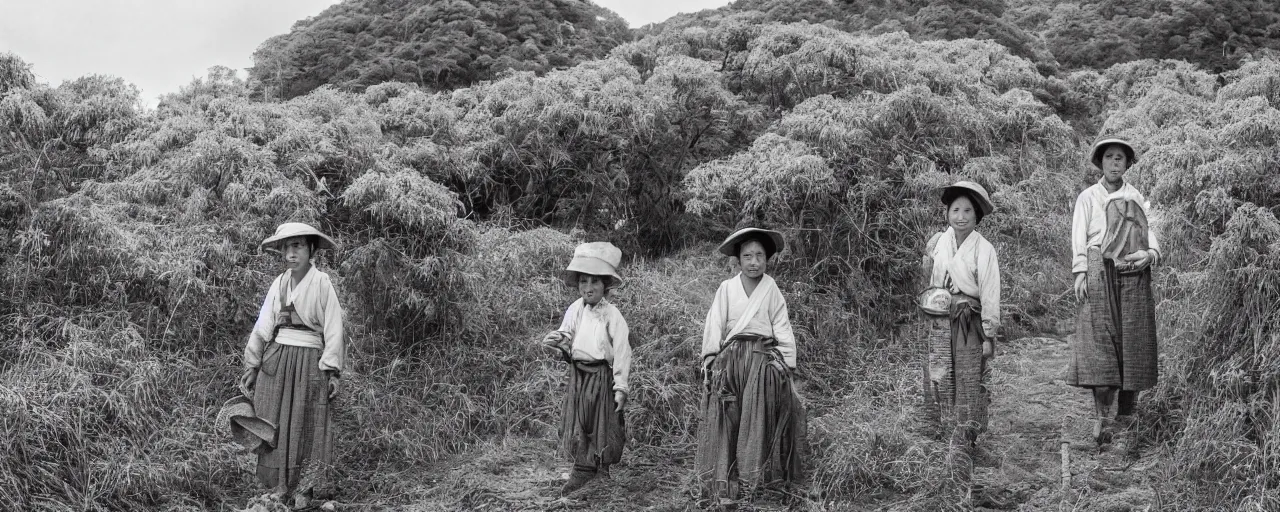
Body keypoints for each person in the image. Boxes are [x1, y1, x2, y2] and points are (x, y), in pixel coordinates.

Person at [238, 222, 345, 509]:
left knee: (309, 421)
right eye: (287, 247)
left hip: (310, 361)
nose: (291, 253)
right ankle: (278, 487)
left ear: (311, 250)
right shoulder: (280, 283)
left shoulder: (322, 283)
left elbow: (334, 329)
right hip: (278, 360)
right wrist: (253, 364)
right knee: (275, 421)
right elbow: (263, 326)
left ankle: (306, 490)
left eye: (297, 246)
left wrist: (332, 371)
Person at [695, 227, 804, 503]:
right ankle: (726, 480)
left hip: (760, 361)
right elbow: (715, 323)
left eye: (759, 256)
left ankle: (752, 480)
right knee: (729, 418)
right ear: (738, 260)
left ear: (767, 259)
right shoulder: (726, 289)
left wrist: (785, 361)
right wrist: (710, 357)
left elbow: (782, 325)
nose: (753, 262)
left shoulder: (771, 289)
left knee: (756, 420)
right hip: (731, 361)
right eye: (747, 256)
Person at [1066, 138, 1161, 450]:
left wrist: (1150, 253)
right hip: (1098, 268)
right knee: (1100, 342)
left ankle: (1126, 418)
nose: (1115, 162)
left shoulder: (1135, 196)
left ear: (1127, 164)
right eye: (1109, 157)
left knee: (1132, 344)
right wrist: (1081, 271)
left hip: (1132, 271)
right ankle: (1103, 417)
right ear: (1100, 162)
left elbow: (1150, 229)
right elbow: (1079, 236)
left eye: (1120, 158)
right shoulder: (1087, 198)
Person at [920, 181, 1001, 472]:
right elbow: (930, 281)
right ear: (947, 213)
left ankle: (967, 437)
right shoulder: (939, 243)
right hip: (941, 319)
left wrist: (989, 333)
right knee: (941, 374)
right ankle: (943, 432)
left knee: (969, 377)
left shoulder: (984, 248)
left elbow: (990, 292)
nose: (961, 216)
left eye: (968, 210)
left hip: (970, 320)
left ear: (977, 216)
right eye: (955, 210)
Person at [541, 242, 633, 496]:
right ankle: (582, 467)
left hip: (601, 376)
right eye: (583, 282)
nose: (588, 288)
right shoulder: (576, 308)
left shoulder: (612, 315)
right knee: (579, 421)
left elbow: (623, 352)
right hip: (578, 375)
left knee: (601, 421)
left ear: (605, 285)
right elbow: (566, 334)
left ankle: (599, 468)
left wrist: (620, 386)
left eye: (594, 282)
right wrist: (556, 340)